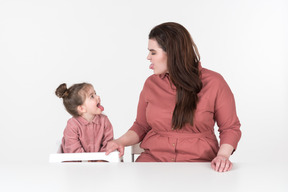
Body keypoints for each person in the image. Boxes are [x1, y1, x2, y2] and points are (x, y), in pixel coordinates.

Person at [106, 22, 241, 172]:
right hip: (152, 164)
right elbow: (141, 126)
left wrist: (222, 156)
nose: (148, 57)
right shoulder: (151, 84)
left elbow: (230, 128)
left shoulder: (214, 82)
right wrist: (119, 141)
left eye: (153, 52)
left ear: (172, 53)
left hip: (199, 167)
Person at [55, 83, 113, 153]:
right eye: (92, 96)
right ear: (82, 108)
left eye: (95, 93)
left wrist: (101, 159)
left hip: (100, 162)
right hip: (77, 162)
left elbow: (108, 142)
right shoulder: (72, 125)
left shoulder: (104, 120)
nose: (98, 97)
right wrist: (86, 161)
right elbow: (73, 149)